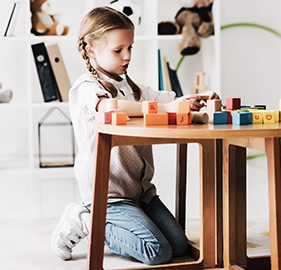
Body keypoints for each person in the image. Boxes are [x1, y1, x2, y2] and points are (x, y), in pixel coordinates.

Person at [50, 6, 219, 264]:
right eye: (118, 50)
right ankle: (86, 219)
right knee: (156, 252)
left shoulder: (132, 86)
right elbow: (109, 106)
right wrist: (163, 108)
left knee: (179, 246)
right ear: (91, 50)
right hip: (109, 196)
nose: (127, 56)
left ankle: (129, 220)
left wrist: (198, 100)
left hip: (142, 194)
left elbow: (171, 100)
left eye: (130, 48)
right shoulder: (86, 88)